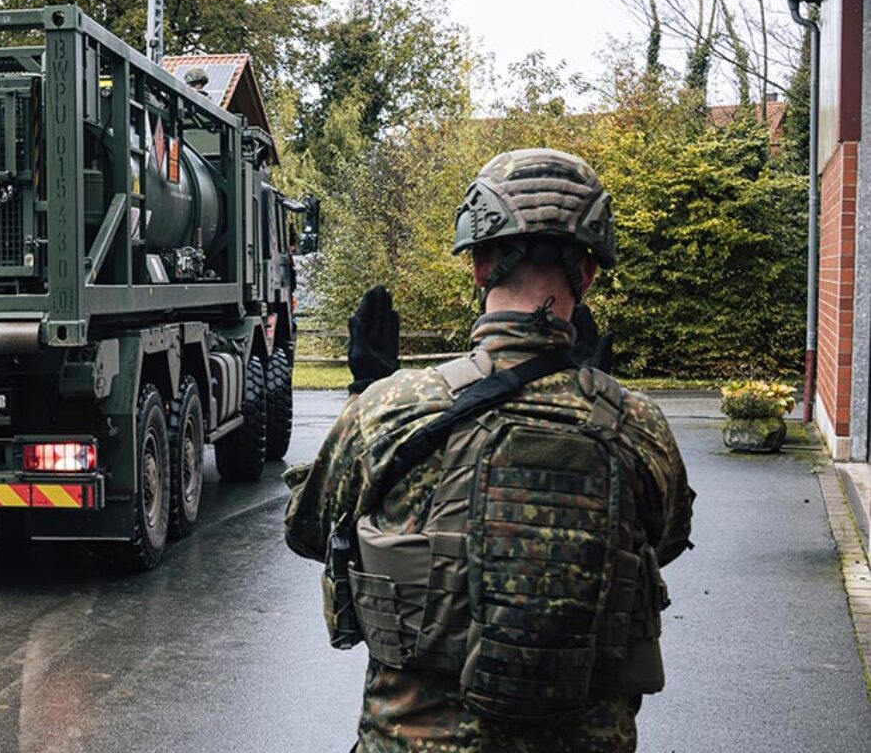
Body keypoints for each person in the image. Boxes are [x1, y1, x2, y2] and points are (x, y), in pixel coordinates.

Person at [285, 149, 694, 752]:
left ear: (479, 264)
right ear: (588, 271)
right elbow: (666, 541)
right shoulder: (636, 424)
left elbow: (311, 530)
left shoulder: (391, 408)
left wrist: (365, 391)